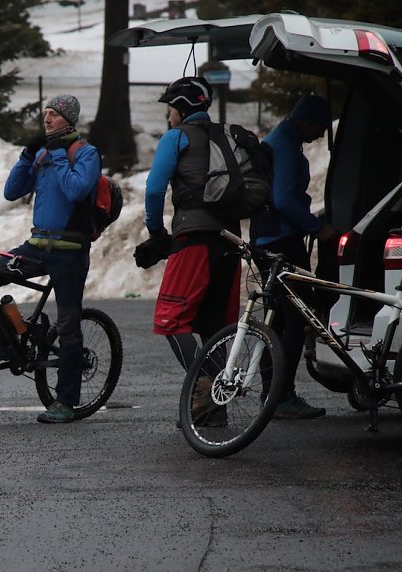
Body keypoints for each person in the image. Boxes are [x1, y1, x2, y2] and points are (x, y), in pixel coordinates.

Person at [0, 94, 101, 424]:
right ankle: (1, 343)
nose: (46, 119)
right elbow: (11, 191)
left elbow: (76, 191)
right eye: (44, 113)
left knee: (69, 326)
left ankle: (67, 402)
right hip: (36, 247)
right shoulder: (43, 152)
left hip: (70, 253)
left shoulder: (85, 154)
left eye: (54, 115)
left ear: (68, 121)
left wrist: (58, 156)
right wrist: (27, 155)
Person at [135, 77, 242, 426]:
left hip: (194, 239)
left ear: (181, 109)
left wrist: (156, 232)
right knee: (215, 326)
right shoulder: (227, 136)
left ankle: (202, 389)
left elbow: (154, 189)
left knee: (171, 319)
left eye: (170, 110)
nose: (168, 118)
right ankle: (215, 409)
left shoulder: (177, 137)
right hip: (231, 242)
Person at [250, 94, 337, 420]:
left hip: (267, 238)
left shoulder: (279, 139)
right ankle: (281, 396)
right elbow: (285, 199)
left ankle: (271, 394)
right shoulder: (285, 146)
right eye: (318, 127)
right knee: (294, 318)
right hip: (281, 243)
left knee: (277, 318)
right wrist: (316, 227)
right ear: (306, 120)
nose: (318, 135)